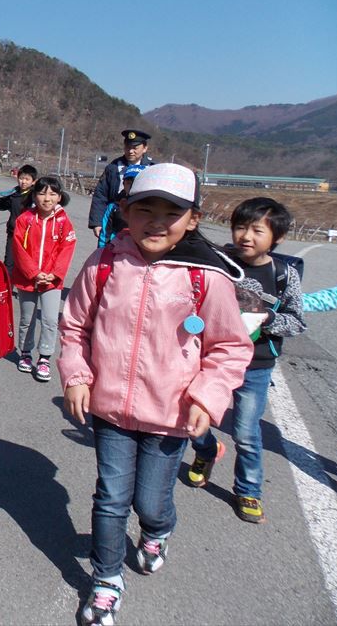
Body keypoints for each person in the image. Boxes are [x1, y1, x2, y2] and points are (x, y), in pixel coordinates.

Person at [58, 163, 252, 626]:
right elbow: (74, 326)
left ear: (193, 219)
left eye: (172, 212)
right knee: (110, 497)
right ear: (125, 211)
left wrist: (207, 396)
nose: (157, 221)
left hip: (173, 417)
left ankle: (157, 531)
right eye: (146, 209)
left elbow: (229, 347)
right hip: (110, 412)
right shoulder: (105, 264)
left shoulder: (206, 276)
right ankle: (105, 580)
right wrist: (77, 375)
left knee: (150, 501)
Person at [186, 198, 305, 524]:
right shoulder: (217, 261)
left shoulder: (284, 274)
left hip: (256, 365)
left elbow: (296, 321)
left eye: (257, 230)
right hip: (210, 359)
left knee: (246, 432)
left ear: (277, 237)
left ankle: (248, 489)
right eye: (240, 227)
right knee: (190, 418)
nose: (246, 236)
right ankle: (206, 450)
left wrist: (266, 317)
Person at [10, 176, 76, 382]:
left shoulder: (64, 222)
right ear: (34, 195)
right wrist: (33, 272)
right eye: (42, 193)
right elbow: (18, 247)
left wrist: (54, 273)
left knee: (49, 319)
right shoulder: (25, 219)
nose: (47, 199)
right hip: (27, 278)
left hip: (52, 281)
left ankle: (45, 357)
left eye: (52, 194)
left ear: (59, 197)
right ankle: (26, 352)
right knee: (27, 319)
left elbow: (67, 249)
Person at [88, 129, 154, 239]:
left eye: (135, 148)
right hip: (114, 221)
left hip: (142, 223)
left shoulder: (152, 169)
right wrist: (97, 222)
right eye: (128, 147)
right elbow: (100, 195)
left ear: (145, 148)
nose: (131, 151)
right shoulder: (113, 168)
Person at [0, 163, 38, 276]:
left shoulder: (36, 196)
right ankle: (7, 290)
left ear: (34, 181)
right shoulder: (13, 194)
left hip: (30, 236)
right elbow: (0, 205)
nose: (23, 182)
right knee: (9, 263)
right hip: (13, 233)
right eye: (21, 178)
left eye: (27, 179)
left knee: (28, 264)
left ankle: (27, 290)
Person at [96, 163, 147, 248]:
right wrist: (101, 252)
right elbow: (105, 233)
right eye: (129, 183)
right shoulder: (114, 206)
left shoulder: (150, 208)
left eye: (136, 182)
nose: (132, 186)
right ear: (123, 184)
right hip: (115, 248)